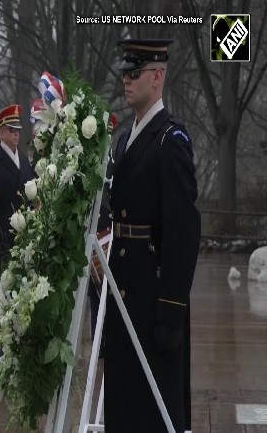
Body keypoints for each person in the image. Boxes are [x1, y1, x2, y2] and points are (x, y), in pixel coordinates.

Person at [104, 39, 200, 433]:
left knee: (155, 411)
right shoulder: (126, 140)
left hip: (152, 296)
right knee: (125, 404)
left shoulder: (170, 140)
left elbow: (183, 231)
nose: (126, 79)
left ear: (157, 77)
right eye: (124, 72)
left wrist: (172, 310)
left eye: (135, 72)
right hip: (123, 290)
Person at [0, 104, 33, 307]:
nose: (16, 134)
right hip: (2, 241)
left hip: (23, 242)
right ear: (1, 132)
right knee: (3, 303)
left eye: (18, 130)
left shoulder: (25, 162)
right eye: (11, 130)